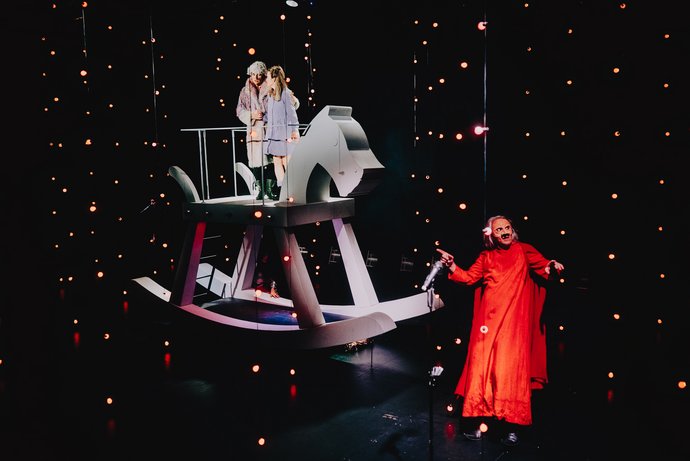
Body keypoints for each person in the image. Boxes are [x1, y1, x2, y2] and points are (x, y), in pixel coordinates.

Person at [436, 215, 564, 447]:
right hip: (487, 325)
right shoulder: (486, 257)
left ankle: (511, 427)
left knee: (509, 374)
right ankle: (478, 422)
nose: (504, 232)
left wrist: (552, 265)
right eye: (499, 230)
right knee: (481, 372)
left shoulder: (524, 250)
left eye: (507, 228)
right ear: (491, 235)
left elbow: (544, 266)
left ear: (512, 230)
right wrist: (451, 265)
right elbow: (468, 278)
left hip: (514, 327)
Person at [262, 65, 300, 195]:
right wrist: (262, 119)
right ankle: (283, 189)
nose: (266, 79)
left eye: (268, 77)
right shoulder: (270, 94)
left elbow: (292, 114)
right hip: (274, 134)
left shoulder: (286, 93)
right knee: (277, 161)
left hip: (285, 134)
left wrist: (294, 130)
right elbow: (271, 115)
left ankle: (294, 188)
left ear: (274, 78)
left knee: (287, 161)